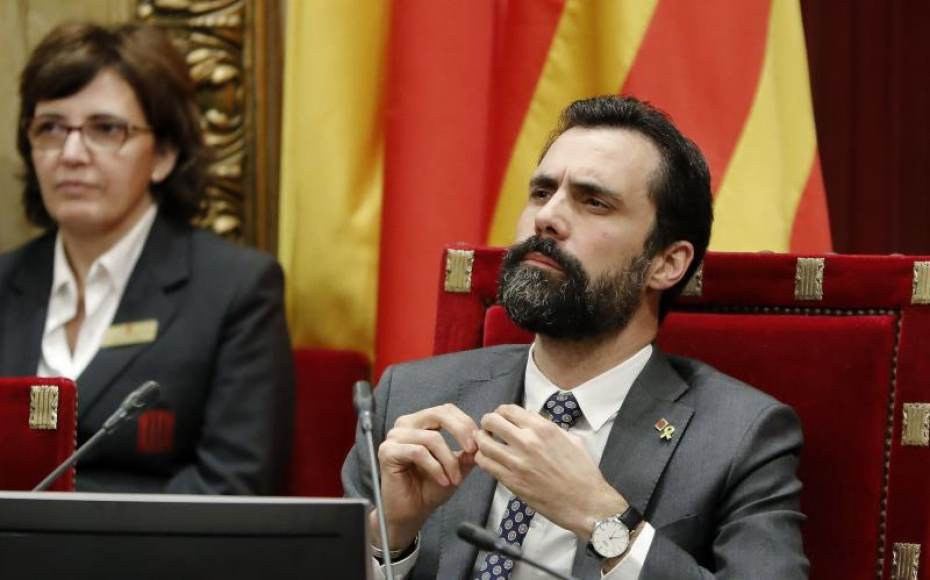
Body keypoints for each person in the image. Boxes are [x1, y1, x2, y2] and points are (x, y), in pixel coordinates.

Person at [342, 95, 807, 578]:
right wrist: (388, 537)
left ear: (667, 263)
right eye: (542, 193)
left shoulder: (740, 436)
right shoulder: (411, 398)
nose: (547, 218)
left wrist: (605, 521)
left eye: (594, 202)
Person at [0, 22, 294, 494]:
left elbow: (234, 488)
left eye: (105, 129)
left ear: (163, 154)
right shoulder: (5, 281)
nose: (71, 153)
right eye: (50, 128)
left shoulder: (236, 289)